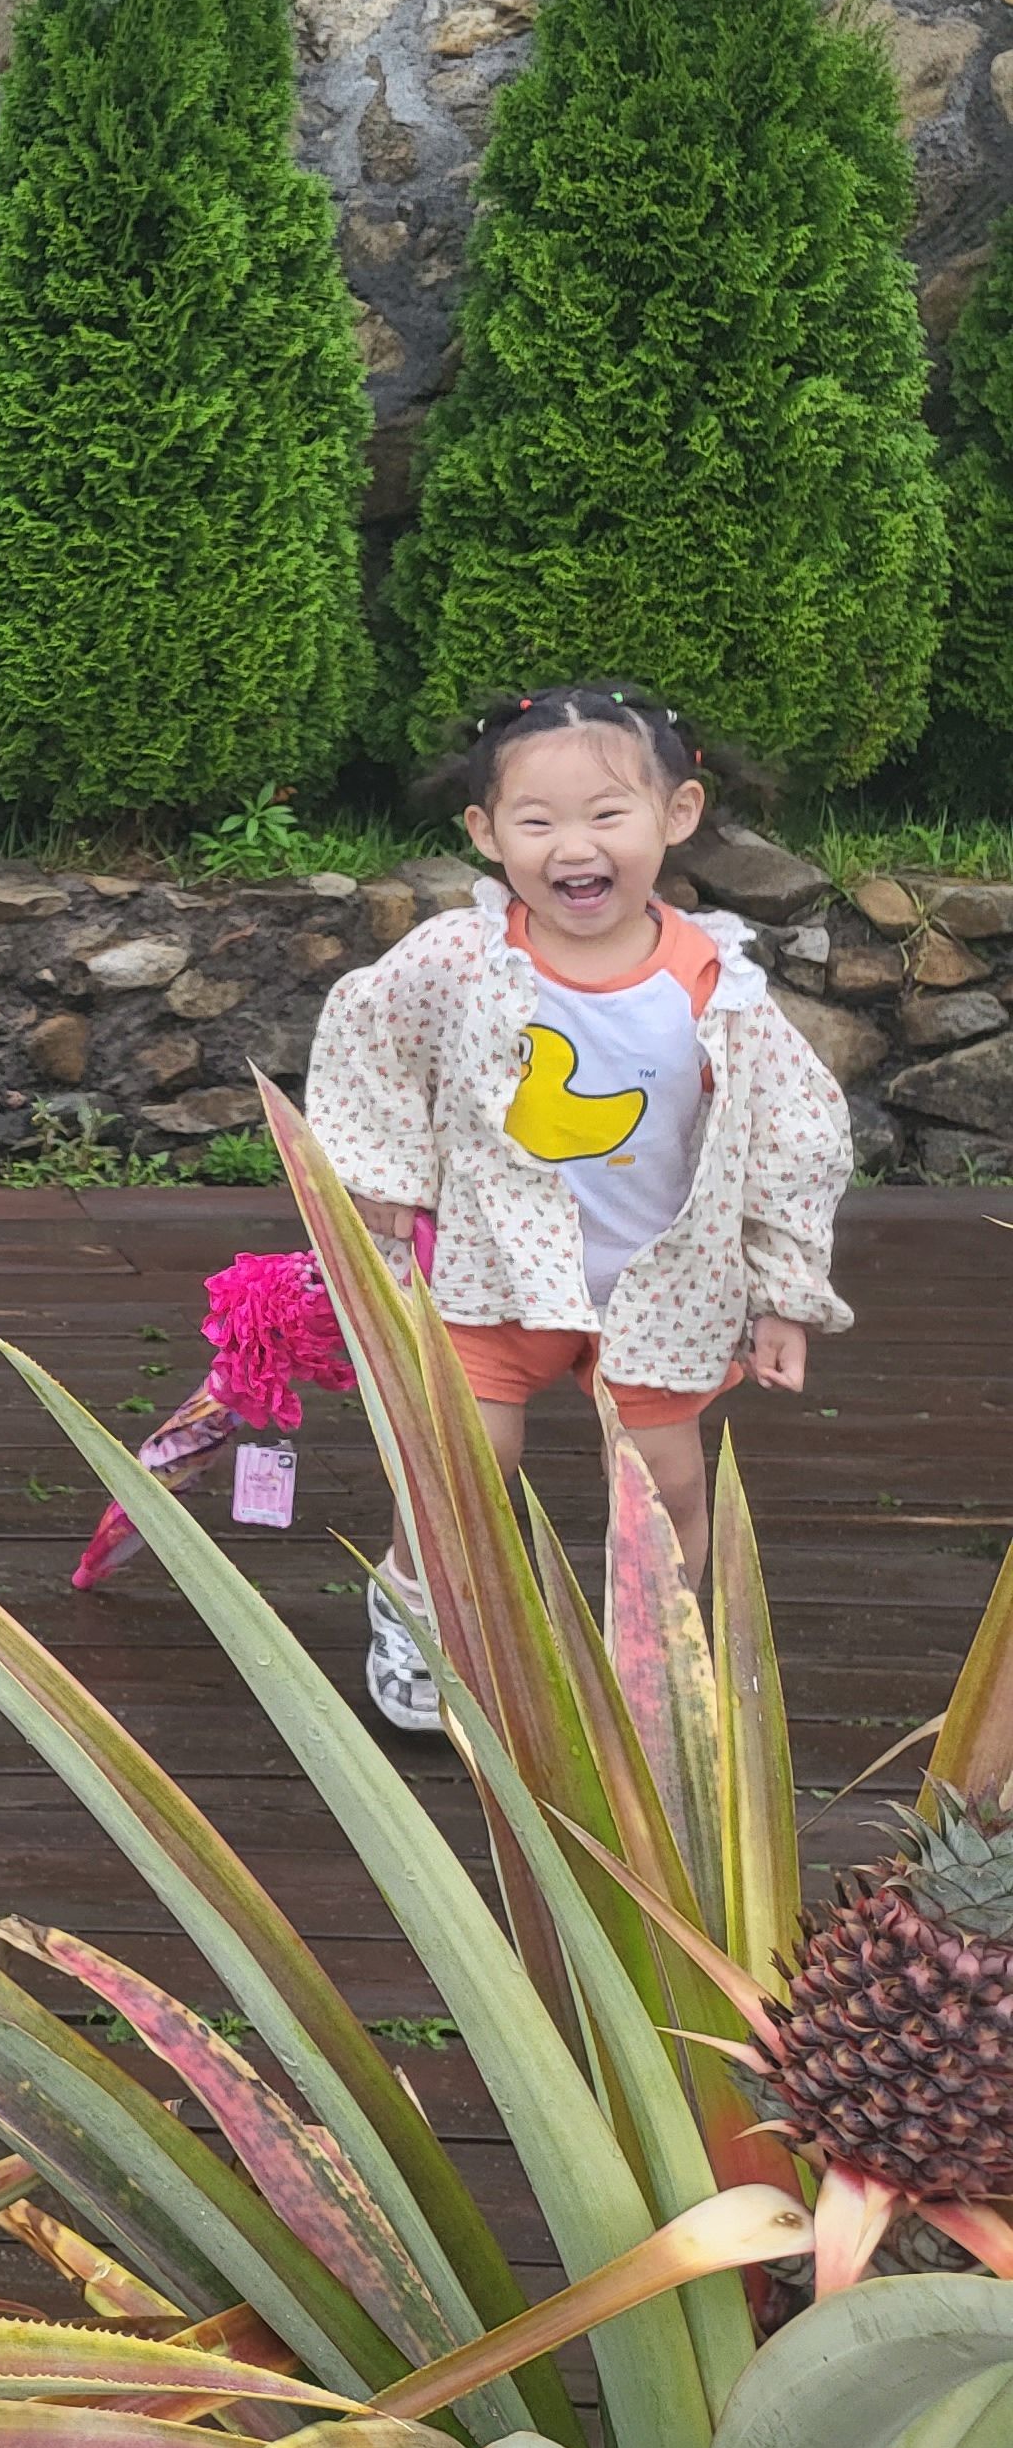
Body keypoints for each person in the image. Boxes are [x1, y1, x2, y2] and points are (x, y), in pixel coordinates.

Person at [306, 681, 852, 1732]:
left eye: (606, 815)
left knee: (663, 1487)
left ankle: (654, 1654)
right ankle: (421, 1606)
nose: (574, 847)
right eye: (537, 822)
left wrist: (783, 1292)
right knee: (465, 1459)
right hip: (495, 1271)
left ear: (675, 815)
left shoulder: (712, 982)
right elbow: (370, 1039)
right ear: (484, 833)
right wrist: (384, 1178)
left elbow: (793, 1133)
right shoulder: (462, 960)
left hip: (656, 1288)